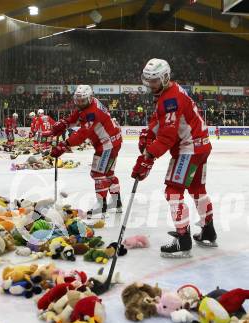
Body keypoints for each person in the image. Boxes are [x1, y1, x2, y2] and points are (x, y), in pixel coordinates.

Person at [132, 58, 217, 258]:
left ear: (165, 77)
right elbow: (159, 119)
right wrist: (149, 133)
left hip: (189, 149)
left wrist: (148, 157)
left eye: (154, 81)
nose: (150, 85)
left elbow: (168, 136)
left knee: (173, 191)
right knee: (197, 189)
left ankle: (183, 240)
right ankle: (208, 230)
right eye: (148, 80)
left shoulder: (170, 99)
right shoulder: (170, 91)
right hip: (201, 145)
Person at [50, 85, 123, 217]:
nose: (79, 103)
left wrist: (64, 144)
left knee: (98, 174)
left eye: (82, 100)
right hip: (113, 141)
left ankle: (101, 205)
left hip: (107, 144)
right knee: (109, 174)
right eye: (77, 100)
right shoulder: (89, 104)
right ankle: (116, 202)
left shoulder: (92, 112)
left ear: (89, 98)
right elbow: (76, 115)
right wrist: (64, 123)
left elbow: (82, 135)